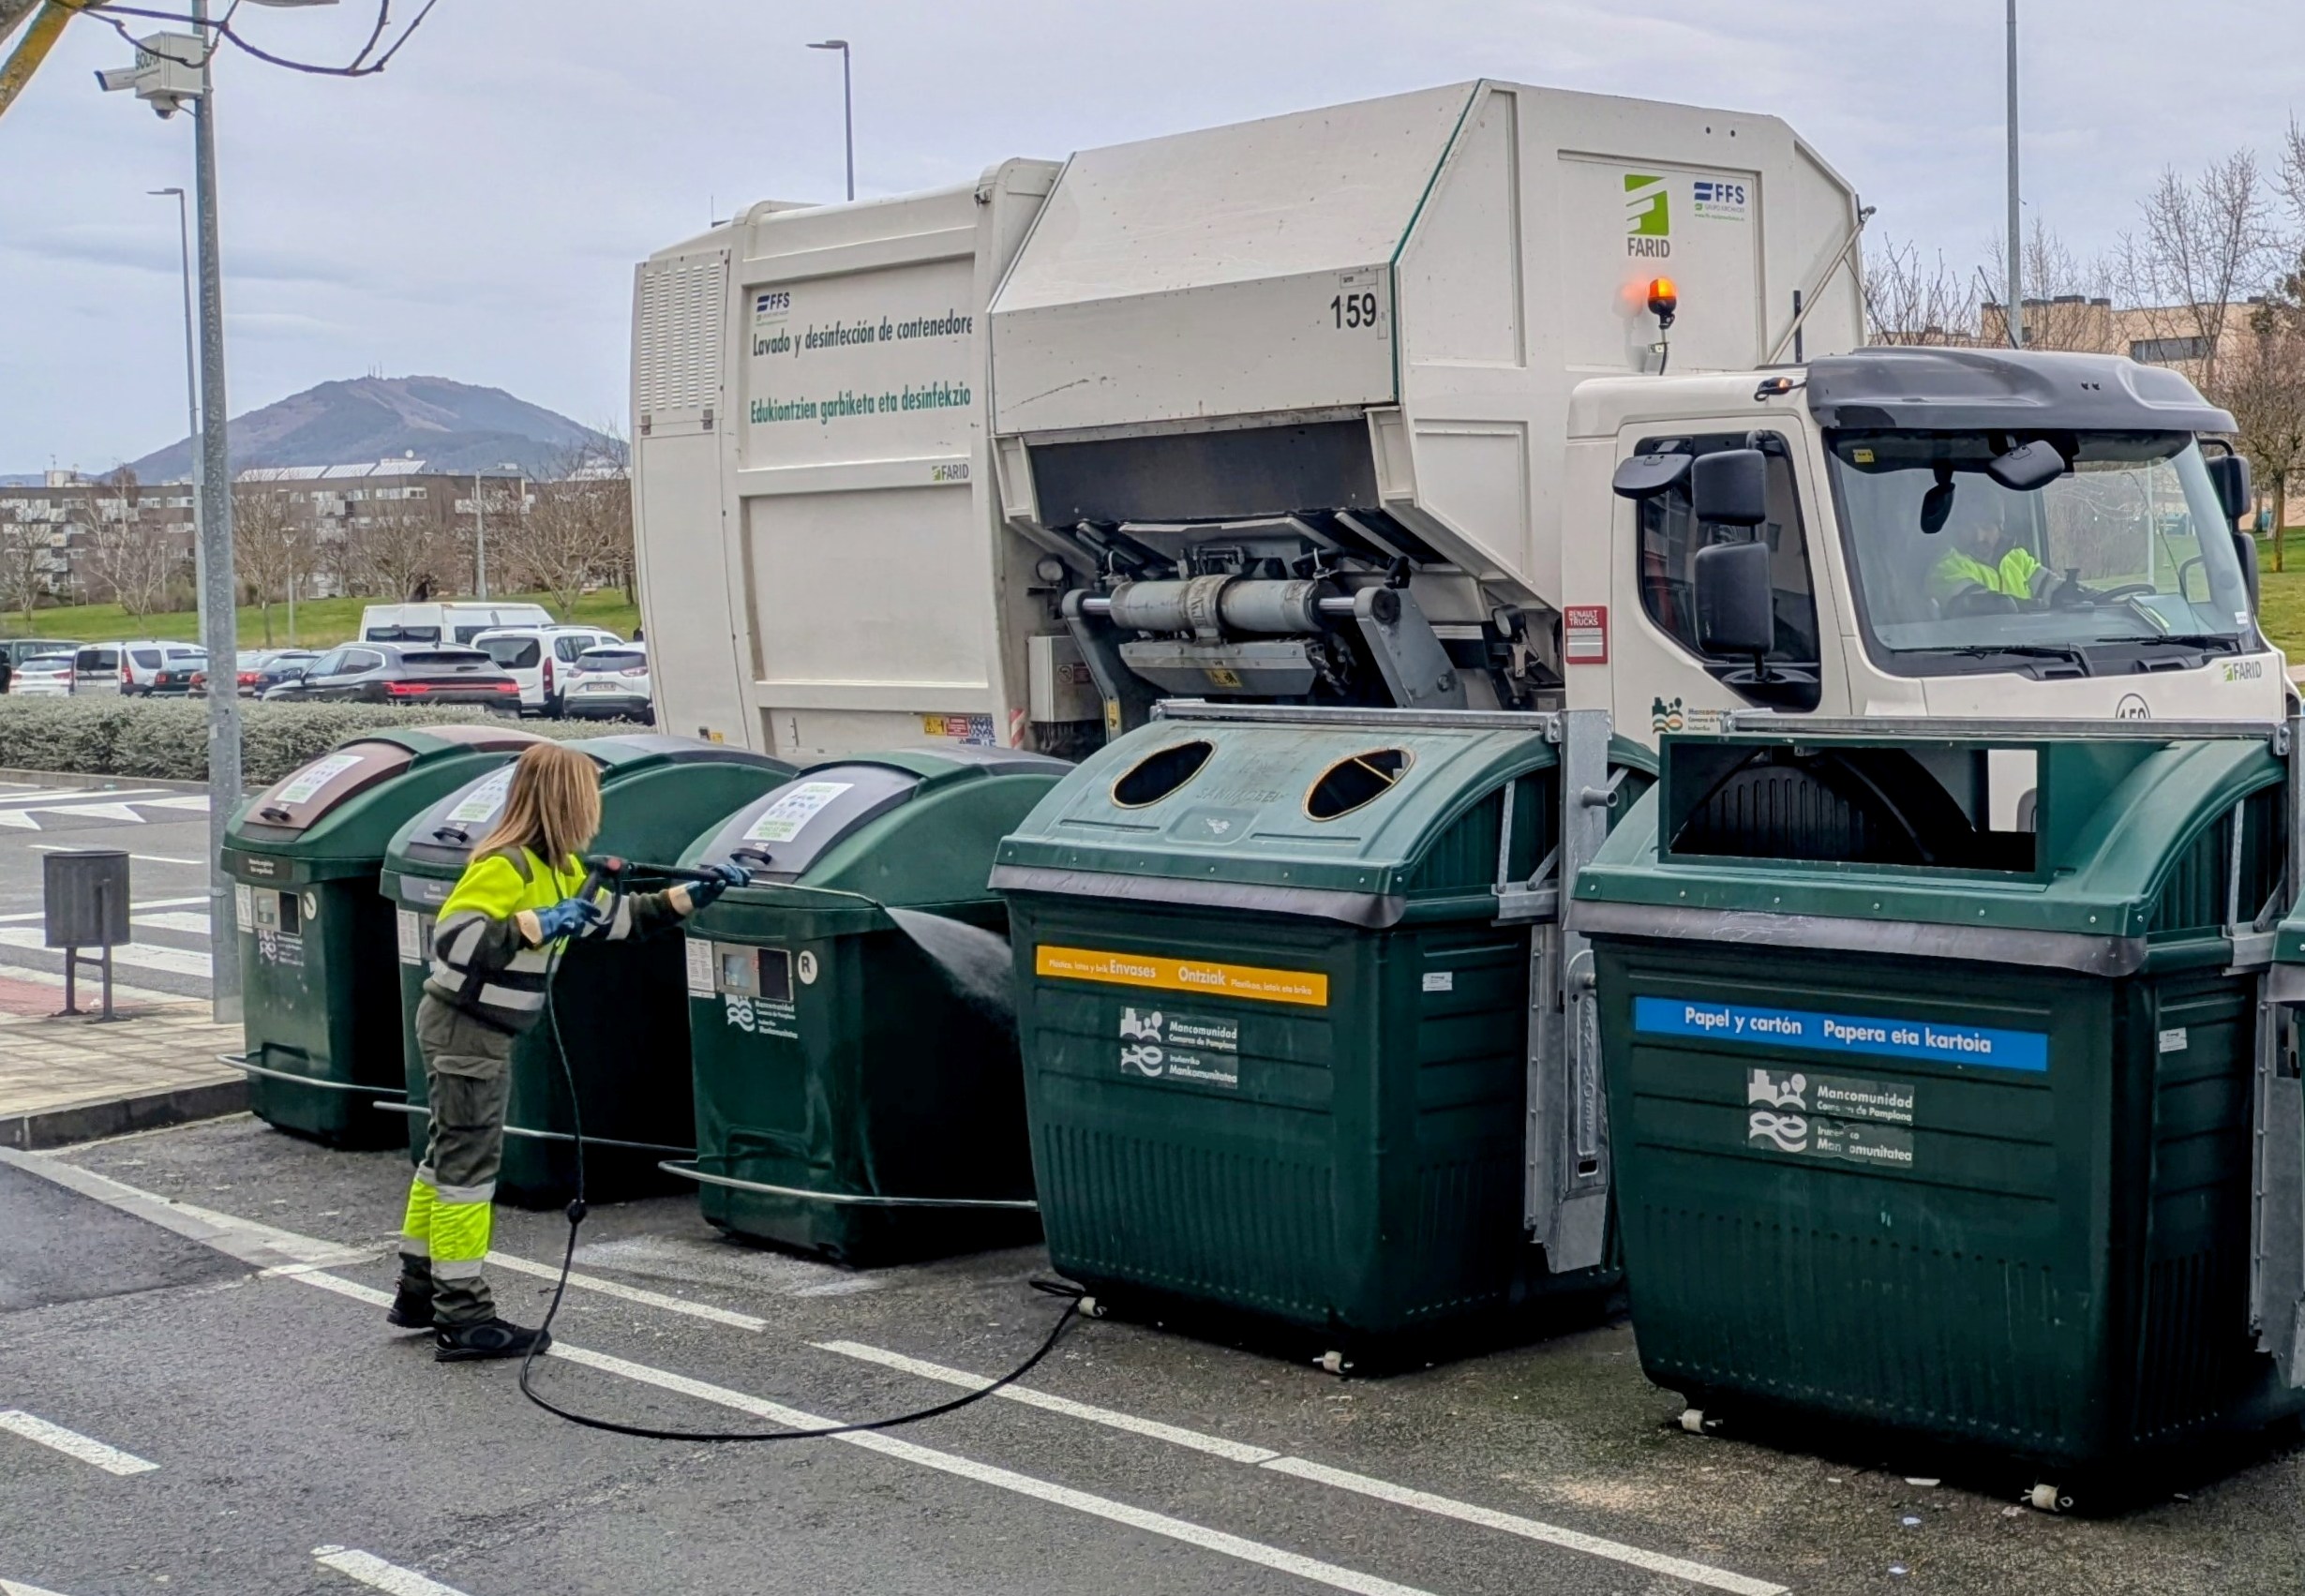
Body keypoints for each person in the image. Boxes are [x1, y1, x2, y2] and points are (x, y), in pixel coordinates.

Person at [387, 741, 746, 1361]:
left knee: (445, 1161)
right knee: (466, 1175)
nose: (594, 810)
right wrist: (538, 923)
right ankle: (464, 1313)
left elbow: (620, 918)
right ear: (566, 802)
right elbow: (454, 939)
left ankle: (419, 1291)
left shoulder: (558, 869)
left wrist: (692, 894)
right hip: (465, 1031)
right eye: (589, 798)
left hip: (474, 1031)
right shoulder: (506, 864)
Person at [1928, 491, 2058, 608]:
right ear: (1958, 530)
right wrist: (2027, 607)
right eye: (1969, 529)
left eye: (1986, 527)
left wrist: (2066, 591)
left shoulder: (2018, 558)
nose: (1979, 537)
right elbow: (1973, 604)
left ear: (2000, 529)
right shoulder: (1946, 566)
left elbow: (2051, 587)